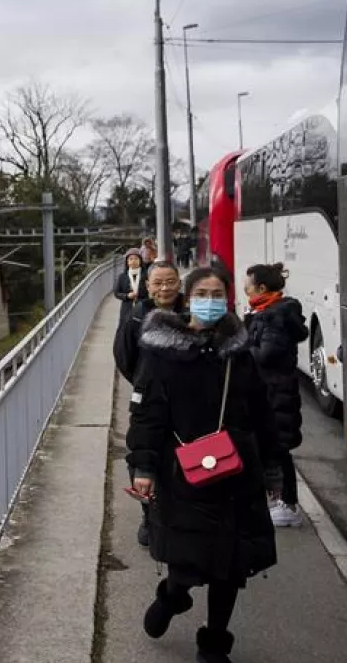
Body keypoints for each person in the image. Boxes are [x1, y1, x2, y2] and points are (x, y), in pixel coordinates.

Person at [128, 267, 282, 663]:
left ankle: (213, 644)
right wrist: (142, 468)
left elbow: (262, 412)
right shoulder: (162, 352)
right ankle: (172, 595)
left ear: (228, 298)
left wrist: (272, 467)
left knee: (230, 568)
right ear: (188, 297)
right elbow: (146, 416)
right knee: (188, 562)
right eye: (203, 292)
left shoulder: (239, 351)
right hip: (184, 476)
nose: (211, 300)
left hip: (237, 475)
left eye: (218, 293)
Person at [113, 261, 185, 548]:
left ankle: (181, 514)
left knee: (182, 457)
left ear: (179, 283)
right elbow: (124, 356)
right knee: (144, 454)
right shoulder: (136, 317)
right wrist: (145, 384)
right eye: (158, 283)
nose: (165, 288)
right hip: (149, 400)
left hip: (188, 401)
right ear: (147, 286)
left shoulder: (191, 312)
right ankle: (150, 515)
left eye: (170, 281)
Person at [243, 262, 309, 528]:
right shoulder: (268, 312)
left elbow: (266, 355)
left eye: (248, 286)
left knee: (278, 449)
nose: (245, 290)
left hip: (275, 394)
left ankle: (288, 504)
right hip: (274, 392)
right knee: (272, 448)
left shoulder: (273, 316)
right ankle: (278, 499)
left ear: (261, 287)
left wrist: (242, 346)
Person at [114, 249, 150, 325]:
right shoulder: (122, 277)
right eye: (131, 259)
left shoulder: (147, 276)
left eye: (136, 259)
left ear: (140, 261)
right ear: (127, 262)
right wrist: (127, 296)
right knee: (125, 328)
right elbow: (116, 293)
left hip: (143, 306)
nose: (133, 261)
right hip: (127, 307)